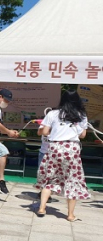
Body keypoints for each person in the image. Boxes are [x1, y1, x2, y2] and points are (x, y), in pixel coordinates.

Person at [35, 91, 90, 221]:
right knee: (72, 180)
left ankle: (42, 208)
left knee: (51, 178)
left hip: (54, 147)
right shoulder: (81, 115)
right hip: (71, 148)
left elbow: (45, 131)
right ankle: (70, 215)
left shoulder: (52, 114)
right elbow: (83, 135)